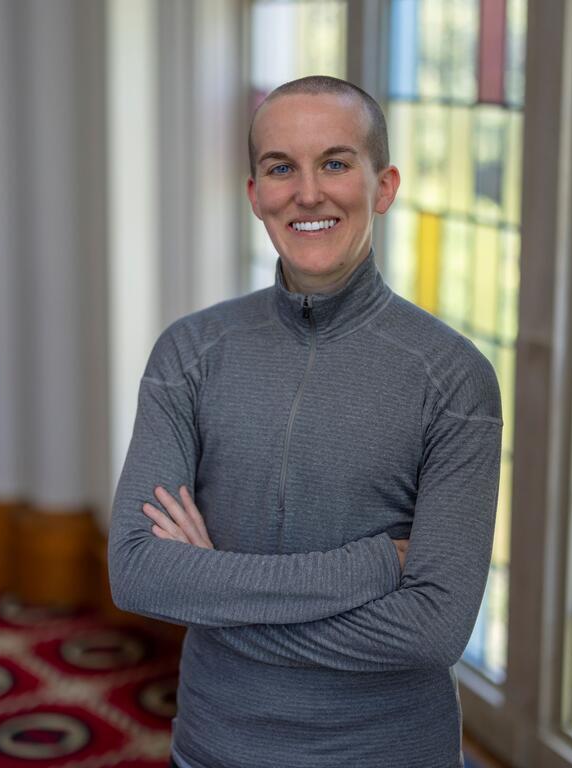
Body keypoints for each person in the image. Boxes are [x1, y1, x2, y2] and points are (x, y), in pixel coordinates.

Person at [108, 75, 502, 768]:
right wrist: (375, 565)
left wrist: (213, 591)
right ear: (254, 192)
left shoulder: (455, 377)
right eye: (281, 167)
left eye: (336, 163)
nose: (308, 192)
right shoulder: (189, 353)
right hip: (215, 749)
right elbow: (139, 573)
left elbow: (432, 631)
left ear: (383, 186)